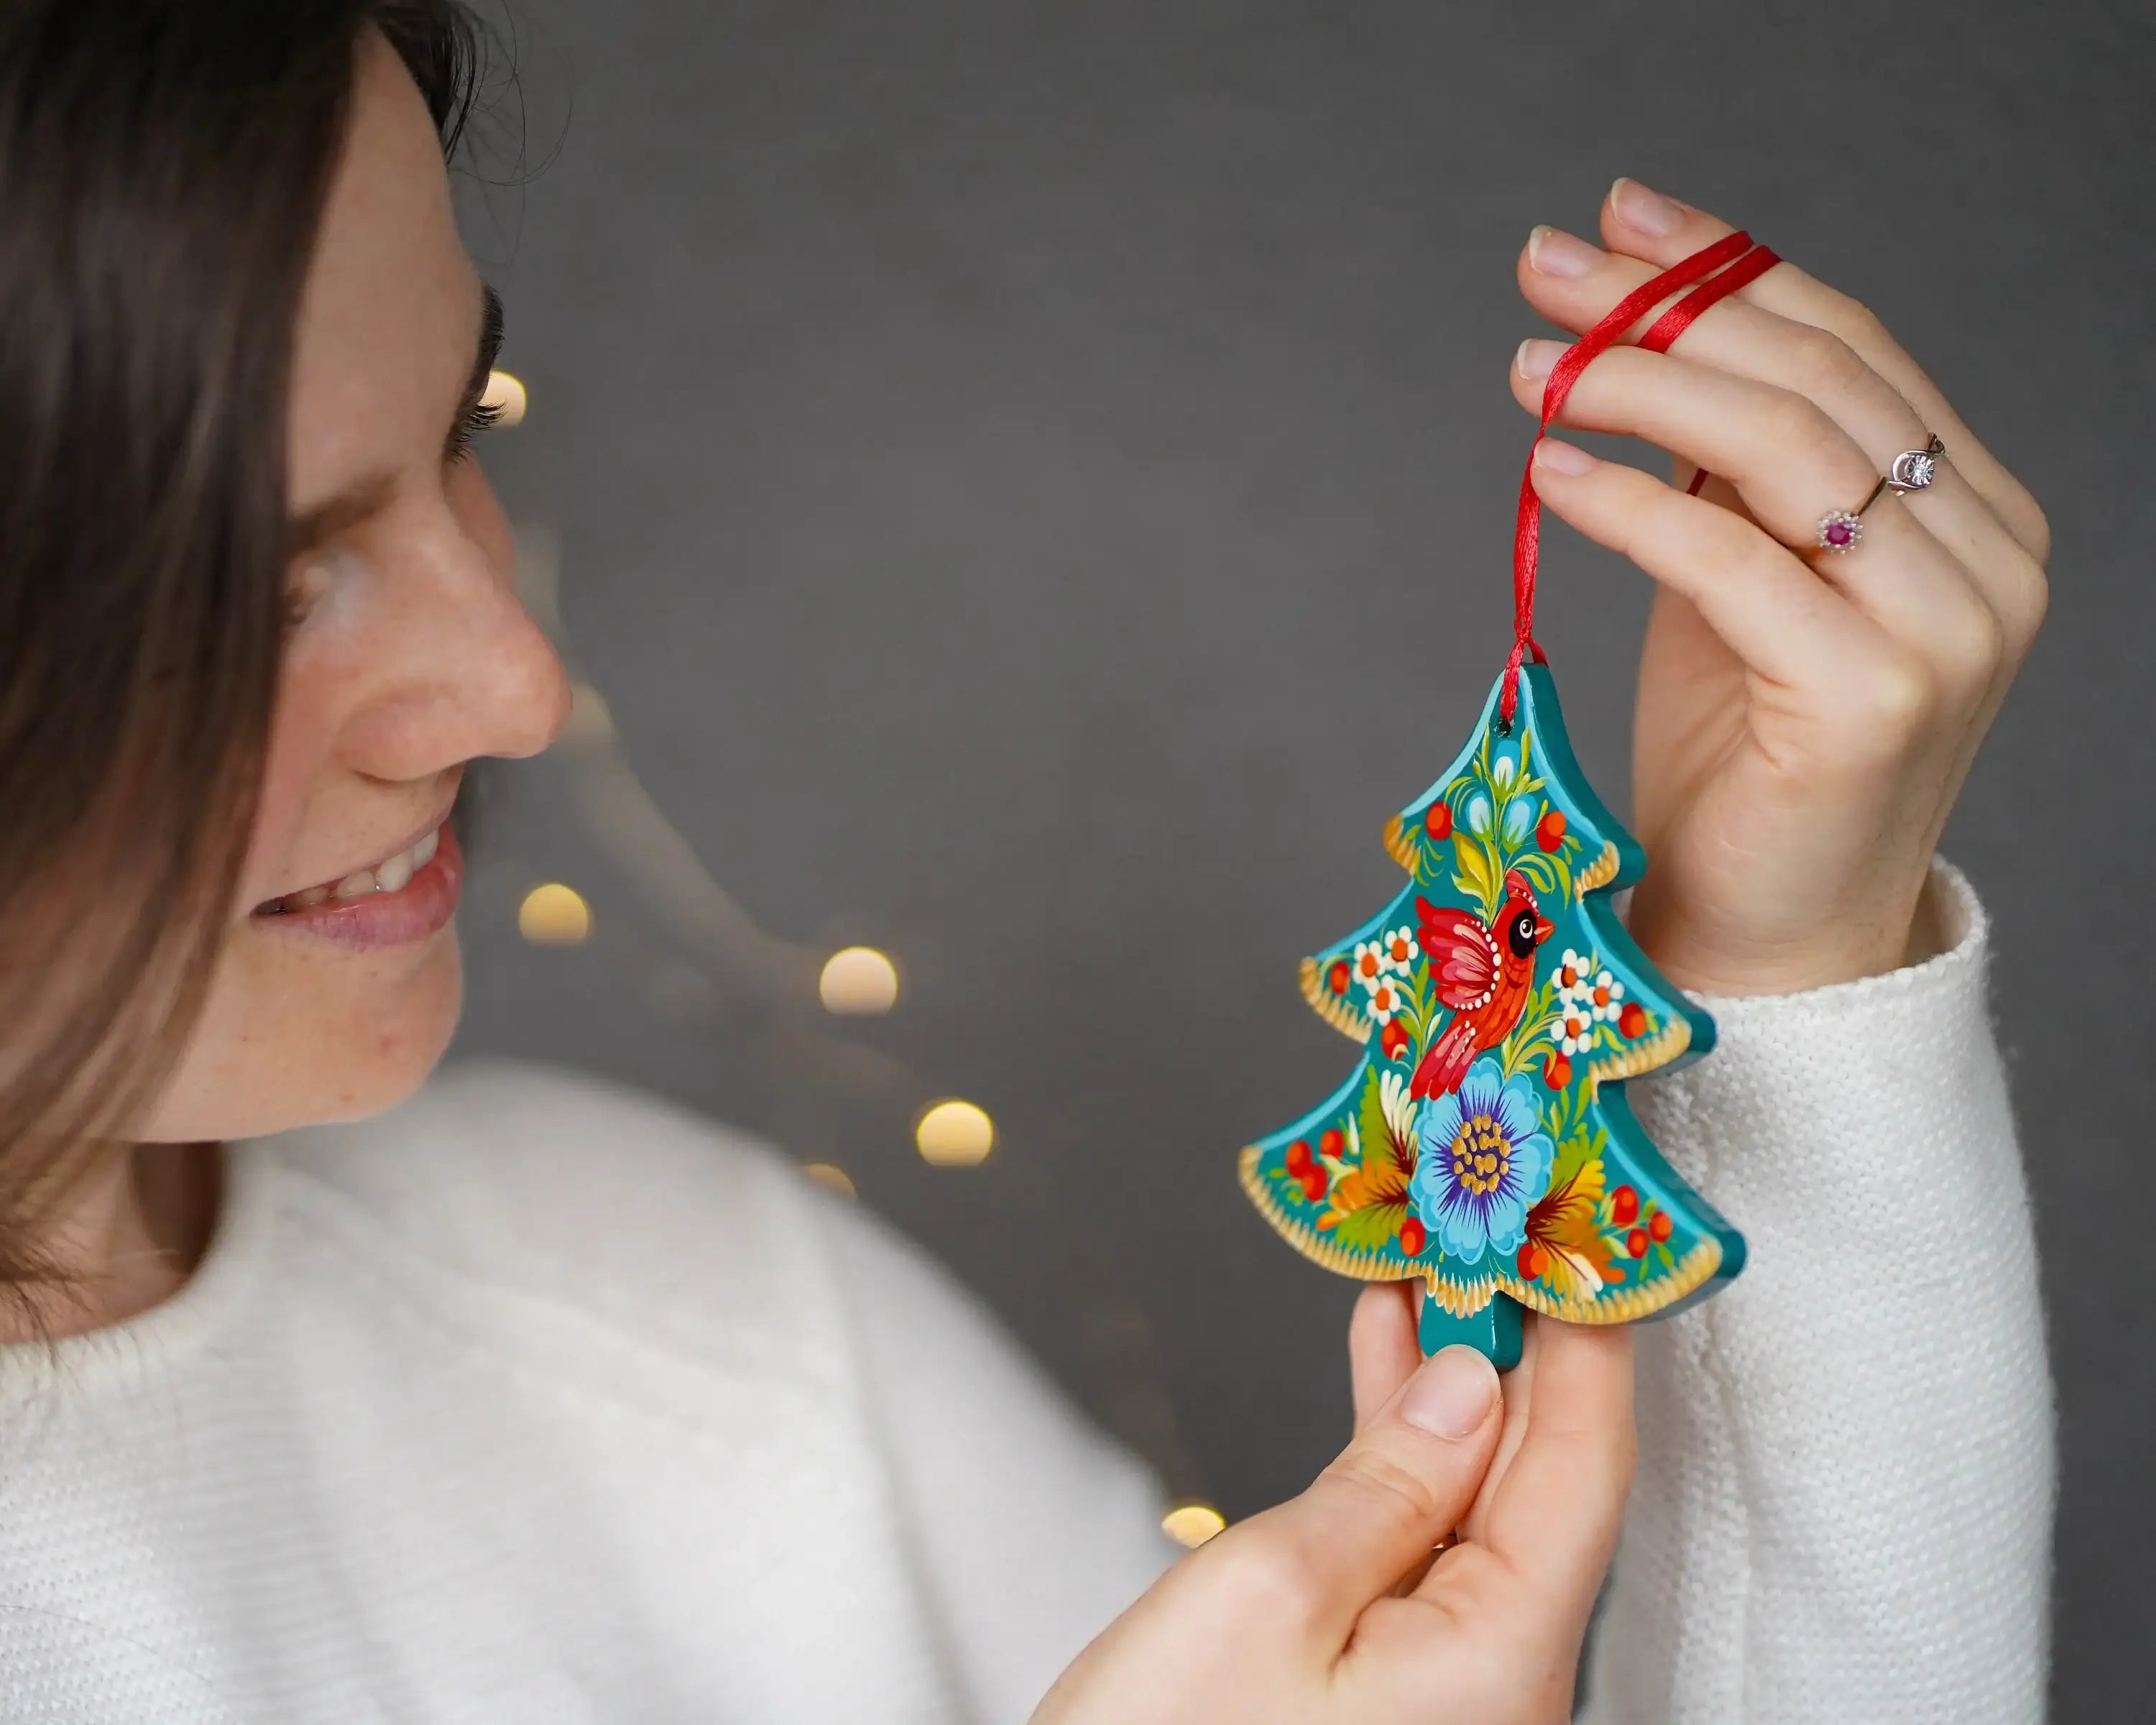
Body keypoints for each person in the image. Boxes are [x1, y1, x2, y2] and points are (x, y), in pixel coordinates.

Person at [0, 5, 2051, 1722]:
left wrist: (1789, 995)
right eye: (249, 583)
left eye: (460, 430)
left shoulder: (691, 1322)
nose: (516, 686)